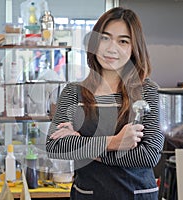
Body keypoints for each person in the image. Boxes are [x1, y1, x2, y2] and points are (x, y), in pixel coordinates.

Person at [45, 7, 164, 200]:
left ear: (134, 48)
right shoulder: (74, 92)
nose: (111, 48)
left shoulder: (147, 91)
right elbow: (55, 145)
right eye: (105, 38)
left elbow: (149, 155)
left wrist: (85, 148)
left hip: (137, 195)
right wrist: (114, 142)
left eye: (123, 41)